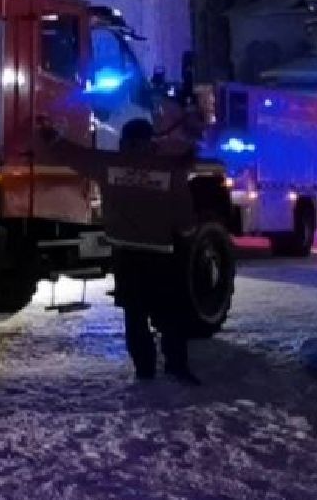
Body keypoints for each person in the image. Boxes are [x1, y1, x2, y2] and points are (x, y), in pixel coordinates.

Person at [39, 112, 202, 385]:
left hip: (125, 252)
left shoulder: (109, 165)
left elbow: (74, 156)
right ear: (150, 142)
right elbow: (184, 214)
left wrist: (50, 136)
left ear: (125, 142)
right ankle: (176, 366)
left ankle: (145, 370)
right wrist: (186, 233)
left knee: (134, 314)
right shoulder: (168, 170)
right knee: (170, 311)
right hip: (162, 253)